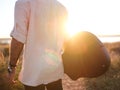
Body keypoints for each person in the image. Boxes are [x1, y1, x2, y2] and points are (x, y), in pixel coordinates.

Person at [8, 0, 68, 90]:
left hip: (33, 73)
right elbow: (65, 39)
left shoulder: (23, 3)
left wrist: (11, 67)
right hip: (55, 69)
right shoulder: (61, 8)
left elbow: (18, 39)